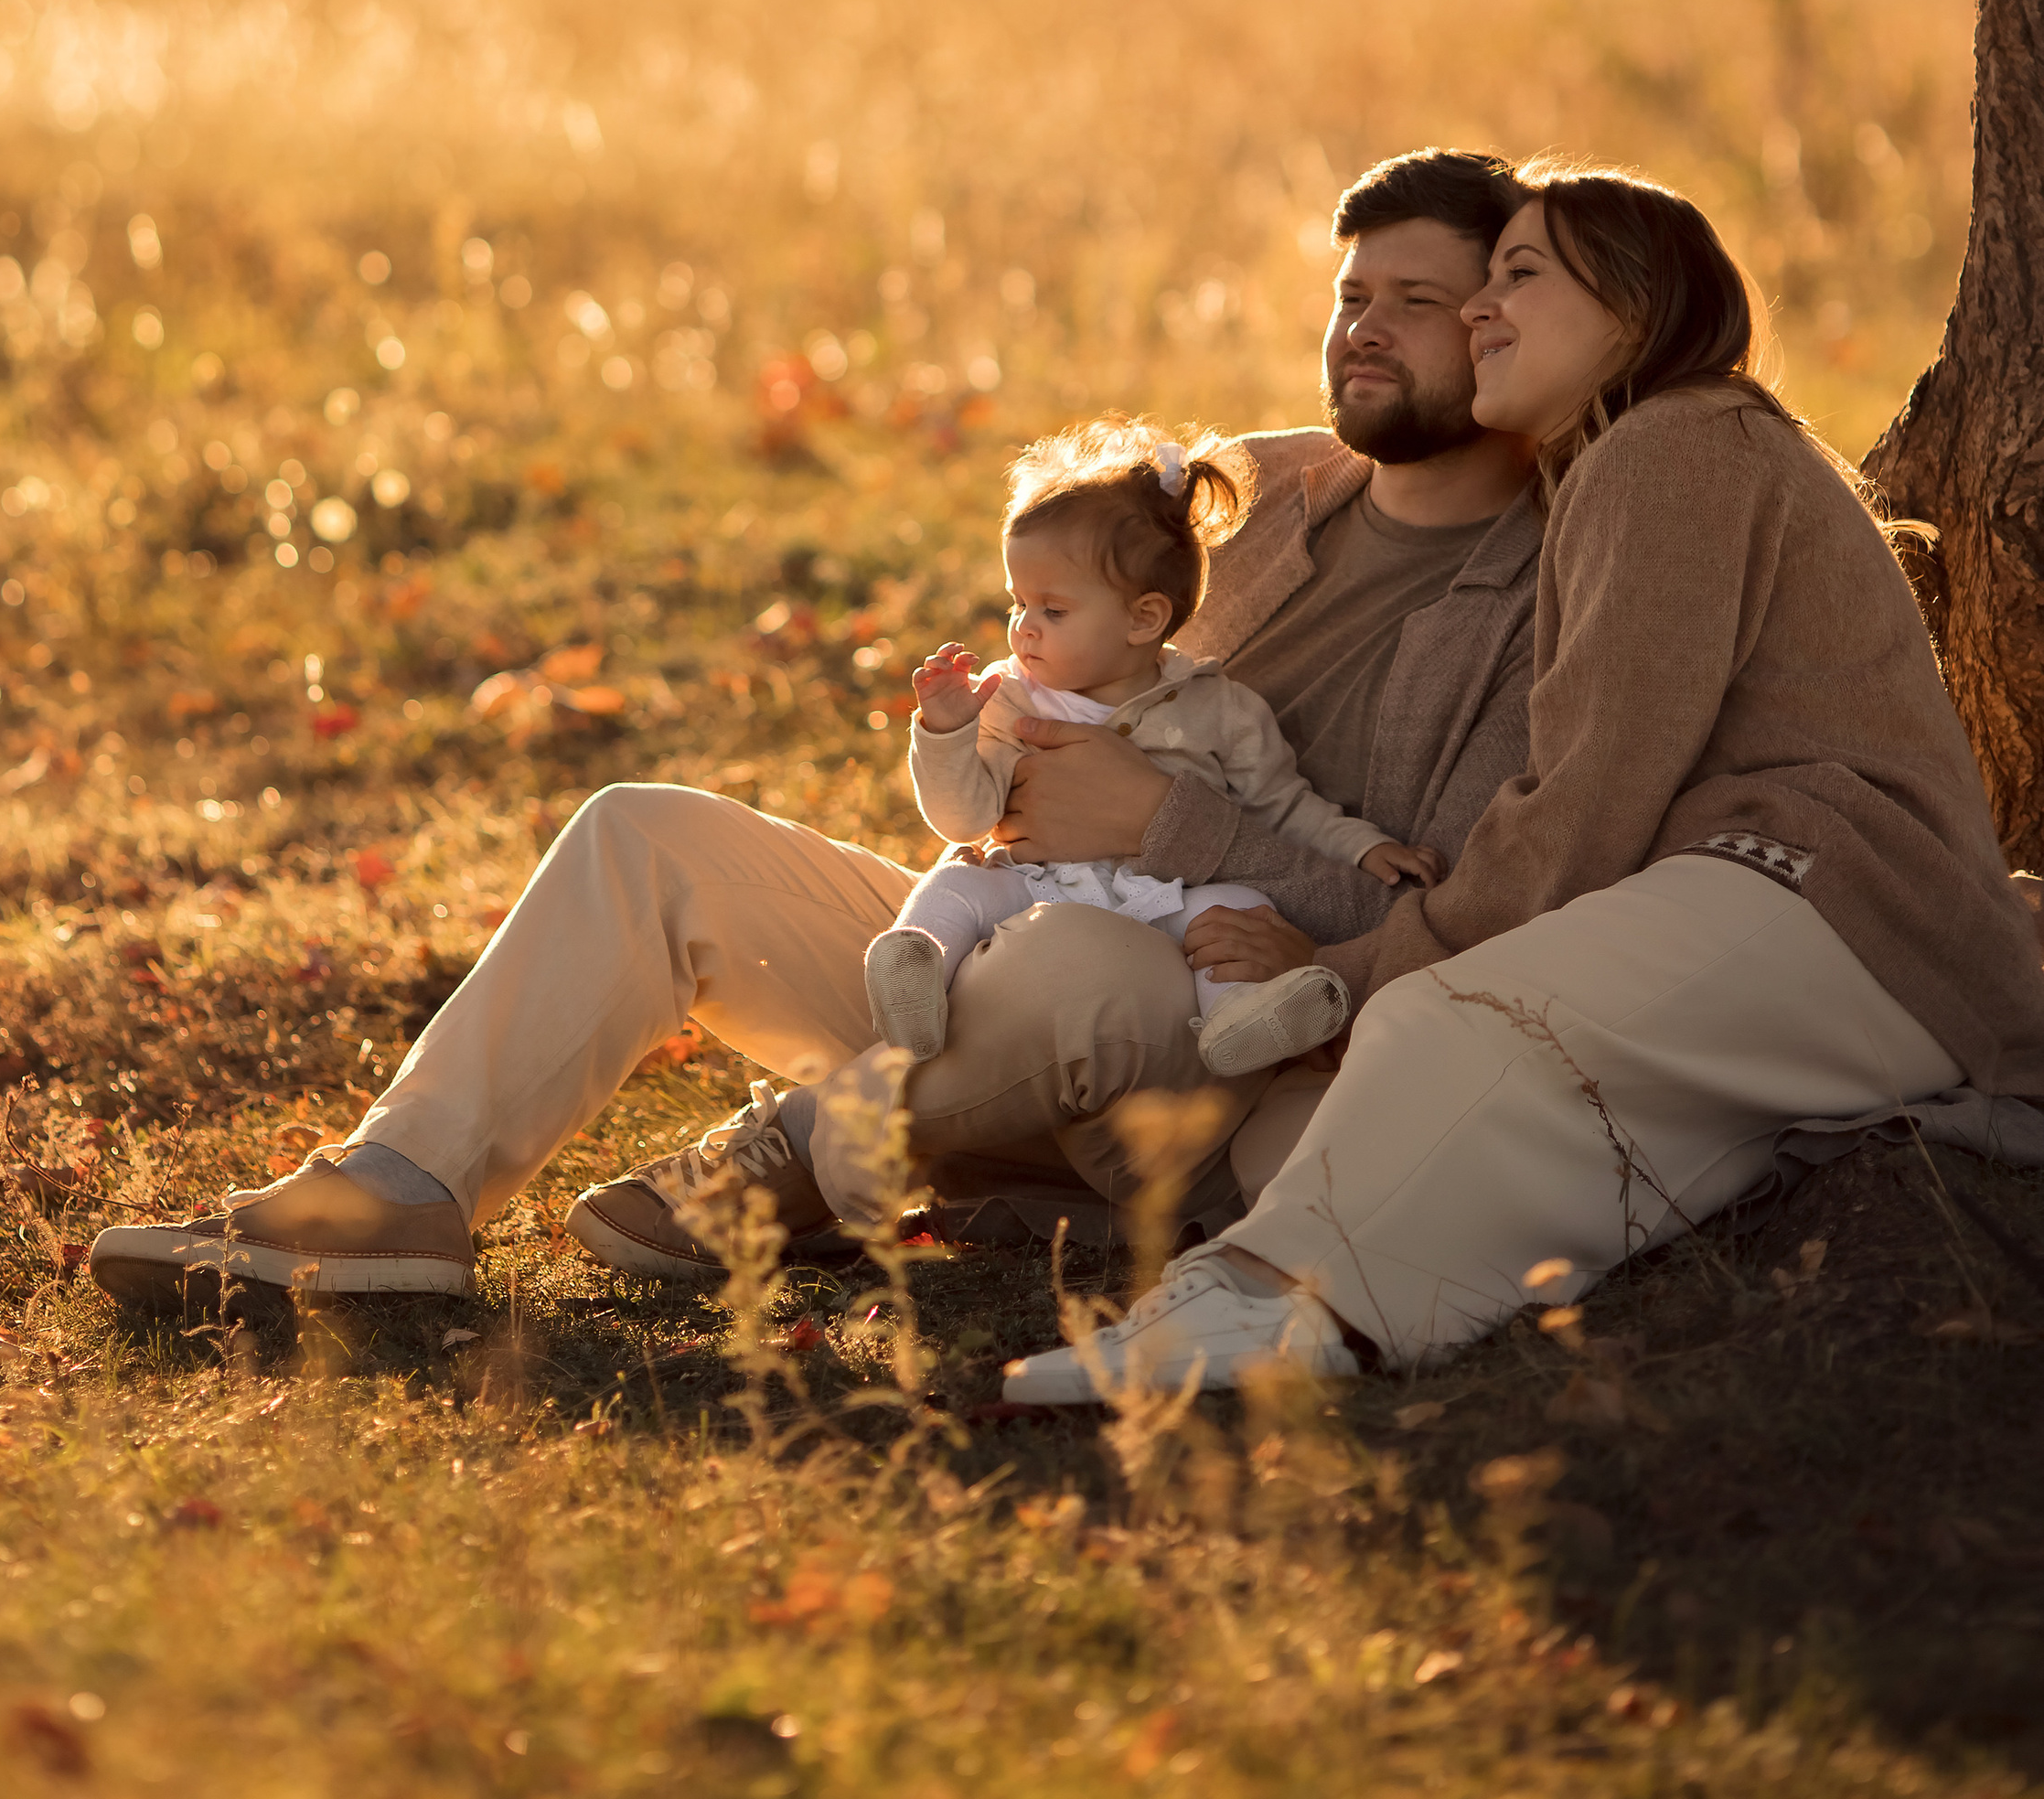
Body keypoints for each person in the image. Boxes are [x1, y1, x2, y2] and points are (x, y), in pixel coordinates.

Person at [87, 145, 1542, 1314]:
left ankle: (789, 1165)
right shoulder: (1262, 490)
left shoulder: (1542, 586)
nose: (1364, 327)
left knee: (1078, 961)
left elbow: (1472, 901)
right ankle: (395, 1193)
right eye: (1355, 292)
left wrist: (1171, 833)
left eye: (1418, 300)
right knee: (641, 833)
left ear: (1501, 323)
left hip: (1211, 1031)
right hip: (1014, 959)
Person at [1001, 167, 2044, 1403]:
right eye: (1485, 279)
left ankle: (1276, 1300)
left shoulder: (1679, 442)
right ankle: (1292, 1291)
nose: (1485, 308)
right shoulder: (1631, 461)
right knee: (1547, 1086)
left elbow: (1584, 804)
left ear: (1634, 304)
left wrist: (1354, 970)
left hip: (1831, 892)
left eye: (1522, 274)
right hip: (1798, 917)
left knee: (1449, 1019)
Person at [872, 420, 1439, 1076]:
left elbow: (1286, 807)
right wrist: (946, 731)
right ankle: (915, 971)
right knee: (959, 885)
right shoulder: (1010, 701)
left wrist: (1363, 846)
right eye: (1017, 602)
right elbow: (965, 817)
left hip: (1167, 901)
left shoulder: (1219, 708)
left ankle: (1241, 1022)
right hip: (1034, 892)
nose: (1024, 628)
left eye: (1052, 610)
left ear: (1144, 618)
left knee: (1237, 915)